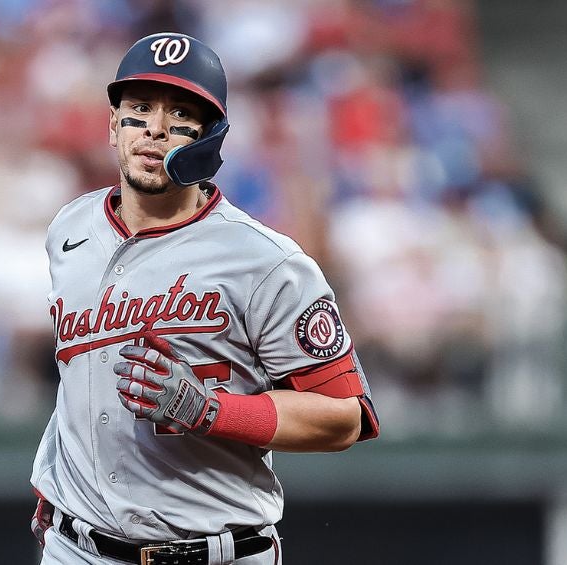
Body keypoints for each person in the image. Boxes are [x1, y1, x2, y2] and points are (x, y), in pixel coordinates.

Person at [30, 32, 380, 565]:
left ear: (211, 137)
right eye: (139, 108)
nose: (154, 128)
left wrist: (211, 410)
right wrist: (52, 484)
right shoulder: (71, 228)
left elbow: (343, 417)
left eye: (179, 113)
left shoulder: (265, 260)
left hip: (213, 551)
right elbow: (82, 376)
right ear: (111, 125)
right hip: (75, 548)